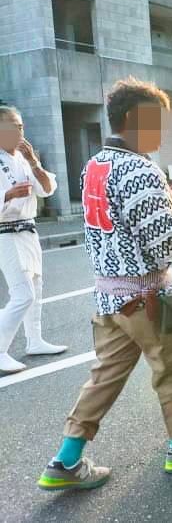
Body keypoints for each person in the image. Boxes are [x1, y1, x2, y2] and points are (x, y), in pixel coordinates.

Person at [39, 78, 172, 491]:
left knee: (104, 375)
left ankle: (66, 459)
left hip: (109, 298)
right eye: (155, 122)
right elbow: (163, 244)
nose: (161, 132)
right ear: (132, 118)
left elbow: (124, 226)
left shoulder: (94, 165)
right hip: (147, 297)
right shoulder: (141, 169)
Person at [0, 106, 67, 374]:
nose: (19, 131)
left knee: (36, 287)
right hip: (5, 233)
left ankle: (35, 340)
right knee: (22, 293)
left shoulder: (25, 158)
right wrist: (8, 196)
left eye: (21, 126)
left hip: (28, 229)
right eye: (12, 126)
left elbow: (47, 189)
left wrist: (35, 163)